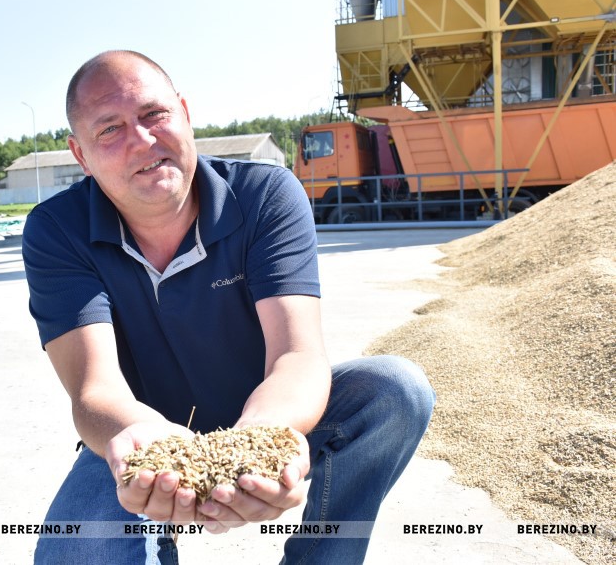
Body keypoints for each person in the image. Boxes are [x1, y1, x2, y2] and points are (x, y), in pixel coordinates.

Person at [22, 50, 435, 564]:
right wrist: (156, 451)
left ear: (184, 113)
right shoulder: (57, 230)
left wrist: (263, 438)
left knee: (395, 390)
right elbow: (95, 389)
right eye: (110, 129)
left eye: (154, 114)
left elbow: (297, 355)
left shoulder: (263, 195)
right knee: (78, 550)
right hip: (139, 431)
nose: (143, 140)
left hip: (262, 408)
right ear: (80, 154)